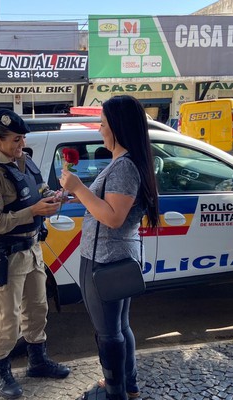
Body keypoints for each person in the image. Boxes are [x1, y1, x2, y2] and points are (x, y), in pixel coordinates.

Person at [59, 95, 160, 400]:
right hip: (116, 257)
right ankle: (128, 385)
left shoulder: (125, 167)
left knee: (109, 332)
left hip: (106, 260)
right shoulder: (125, 163)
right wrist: (77, 194)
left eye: (102, 124)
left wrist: (78, 187)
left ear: (117, 126)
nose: (99, 130)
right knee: (120, 326)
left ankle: (115, 391)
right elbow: (108, 206)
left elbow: (114, 217)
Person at [0, 109, 70, 399]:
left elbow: (38, 189)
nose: (20, 144)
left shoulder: (23, 161)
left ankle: (37, 361)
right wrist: (33, 211)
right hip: (6, 255)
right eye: (15, 140)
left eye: (22, 138)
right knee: (7, 318)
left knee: (38, 308)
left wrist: (52, 197)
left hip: (31, 250)